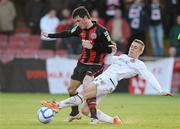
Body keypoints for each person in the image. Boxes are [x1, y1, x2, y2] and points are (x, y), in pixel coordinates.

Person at [41, 39, 172, 124]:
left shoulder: (139, 64)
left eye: (136, 48)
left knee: (84, 93)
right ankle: (113, 120)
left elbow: (149, 76)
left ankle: (57, 106)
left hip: (107, 81)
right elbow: (108, 61)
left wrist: (160, 90)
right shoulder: (122, 57)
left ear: (141, 51)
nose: (132, 48)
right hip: (106, 83)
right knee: (86, 111)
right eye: (132, 46)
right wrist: (112, 52)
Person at [41, 6, 115, 123]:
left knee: (87, 84)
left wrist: (93, 46)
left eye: (78, 20)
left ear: (85, 18)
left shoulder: (102, 31)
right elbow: (67, 33)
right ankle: (75, 113)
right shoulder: (79, 29)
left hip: (95, 65)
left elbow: (110, 49)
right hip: (82, 64)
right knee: (71, 89)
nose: (77, 23)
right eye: (75, 21)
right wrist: (50, 35)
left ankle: (94, 117)